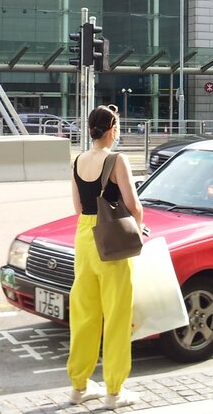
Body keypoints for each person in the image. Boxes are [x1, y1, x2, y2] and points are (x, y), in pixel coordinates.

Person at [67, 105, 144, 409]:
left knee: (85, 314)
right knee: (116, 316)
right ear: (113, 129)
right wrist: (137, 230)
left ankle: (79, 386)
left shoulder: (78, 161)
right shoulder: (117, 160)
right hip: (111, 242)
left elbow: (78, 208)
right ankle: (114, 391)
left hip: (84, 239)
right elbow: (134, 206)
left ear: (90, 130)